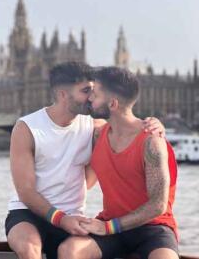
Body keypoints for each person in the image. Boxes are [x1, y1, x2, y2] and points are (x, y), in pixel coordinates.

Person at [5, 62, 164, 259]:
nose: (92, 97)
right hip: (28, 214)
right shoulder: (27, 128)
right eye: (85, 91)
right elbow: (25, 191)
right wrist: (61, 219)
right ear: (63, 94)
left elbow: (125, 132)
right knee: (30, 250)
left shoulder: (95, 128)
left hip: (73, 217)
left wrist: (152, 124)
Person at [58, 66, 178, 259]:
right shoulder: (97, 133)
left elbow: (158, 205)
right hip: (111, 227)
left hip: (152, 228)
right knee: (69, 251)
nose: (89, 99)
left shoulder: (152, 142)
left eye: (95, 95)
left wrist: (107, 227)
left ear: (112, 104)